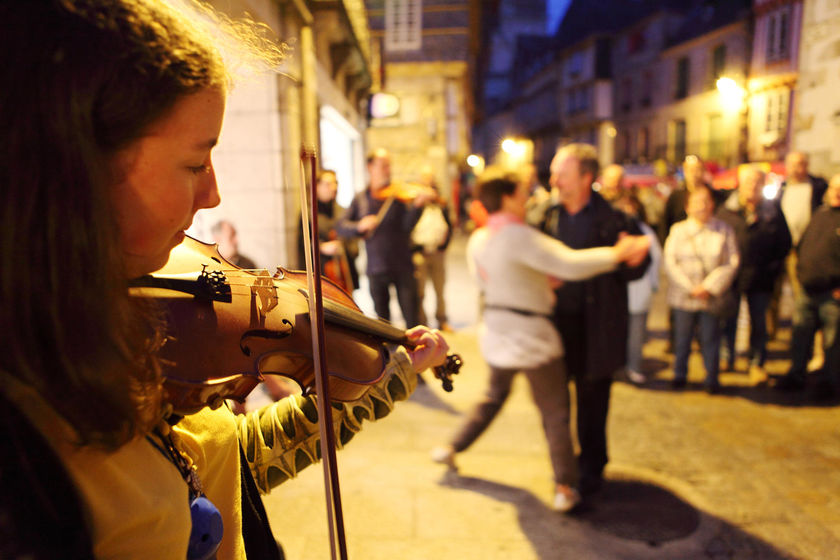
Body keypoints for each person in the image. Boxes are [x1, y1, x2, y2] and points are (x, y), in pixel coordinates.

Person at [0, 2, 449, 558]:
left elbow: (216, 469)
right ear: (69, 168)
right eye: (194, 164)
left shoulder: (130, 320)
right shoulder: (25, 463)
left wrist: (384, 372)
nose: (212, 194)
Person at [431, 166, 650, 513]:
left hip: (498, 332)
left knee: (492, 397)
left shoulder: (480, 238)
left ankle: (451, 447)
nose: (528, 197)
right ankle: (565, 485)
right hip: (532, 337)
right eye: (522, 192)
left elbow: (505, 277)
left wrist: (537, 281)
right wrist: (617, 255)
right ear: (506, 197)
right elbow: (570, 264)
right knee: (555, 413)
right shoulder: (518, 236)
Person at [541, 144, 651, 499]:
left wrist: (635, 260)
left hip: (597, 328)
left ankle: (592, 467)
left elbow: (639, 266)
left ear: (586, 178)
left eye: (562, 173)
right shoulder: (547, 217)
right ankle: (566, 466)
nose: (554, 179)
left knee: (593, 404)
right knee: (558, 405)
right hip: (558, 326)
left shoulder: (615, 219)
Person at [337, 149, 437, 327]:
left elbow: (407, 227)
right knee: (382, 323)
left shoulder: (397, 195)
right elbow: (341, 226)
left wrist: (417, 207)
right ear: (370, 167)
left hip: (402, 265)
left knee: (412, 319)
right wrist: (359, 226)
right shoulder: (361, 199)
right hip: (376, 268)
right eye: (383, 166)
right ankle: (388, 355)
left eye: (389, 166)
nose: (388, 170)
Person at [716, 166, 791, 384]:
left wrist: (772, 268)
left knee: (759, 323)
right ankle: (726, 357)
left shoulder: (772, 211)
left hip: (761, 278)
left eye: (758, 182)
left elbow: (784, 243)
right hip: (733, 278)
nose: (753, 186)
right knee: (728, 321)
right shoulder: (727, 211)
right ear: (740, 184)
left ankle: (756, 363)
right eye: (749, 182)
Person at [664, 185, 739, 393]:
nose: (702, 206)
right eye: (697, 201)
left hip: (711, 298)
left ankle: (711, 378)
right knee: (682, 338)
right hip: (684, 297)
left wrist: (708, 287)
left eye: (706, 201)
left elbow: (731, 262)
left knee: (711, 337)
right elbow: (670, 261)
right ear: (688, 206)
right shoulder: (678, 231)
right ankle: (680, 374)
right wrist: (690, 287)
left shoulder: (723, 230)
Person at [774, 174, 840, 398]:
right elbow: (803, 246)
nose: (836, 192)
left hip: (833, 293)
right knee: (801, 335)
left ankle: (830, 382)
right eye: (833, 187)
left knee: (833, 342)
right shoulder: (820, 215)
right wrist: (802, 274)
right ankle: (797, 374)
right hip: (808, 288)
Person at [767, 151, 829, 338]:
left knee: (801, 294)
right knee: (773, 294)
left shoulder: (817, 187)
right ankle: (772, 333)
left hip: (804, 250)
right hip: (780, 249)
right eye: (793, 164)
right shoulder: (781, 188)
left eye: (801, 163)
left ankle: (801, 334)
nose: (797, 168)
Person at [615, 191, 662, 384]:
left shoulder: (645, 231)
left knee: (635, 333)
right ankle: (618, 367)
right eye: (623, 206)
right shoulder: (610, 229)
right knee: (617, 333)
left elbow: (656, 258)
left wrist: (653, 284)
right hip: (616, 293)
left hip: (638, 290)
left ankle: (633, 366)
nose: (627, 211)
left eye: (630, 206)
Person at [296, 169, 360, 292]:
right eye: (327, 184)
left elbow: (353, 242)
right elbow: (302, 243)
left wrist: (345, 246)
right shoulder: (308, 214)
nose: (334, 187)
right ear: (316, 187)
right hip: (321, 273)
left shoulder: (342, 211)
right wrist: (321, 247)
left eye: (335, 183)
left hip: (344, 273)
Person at [411, 165, 453, 331]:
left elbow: (449, 224)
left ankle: (442, 319)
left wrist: (445, 244)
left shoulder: (440, 202)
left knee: (440, 289)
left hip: (437, 251)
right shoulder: (414, 202)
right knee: (419, 291)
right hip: (420, 252)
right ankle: (422, 322)